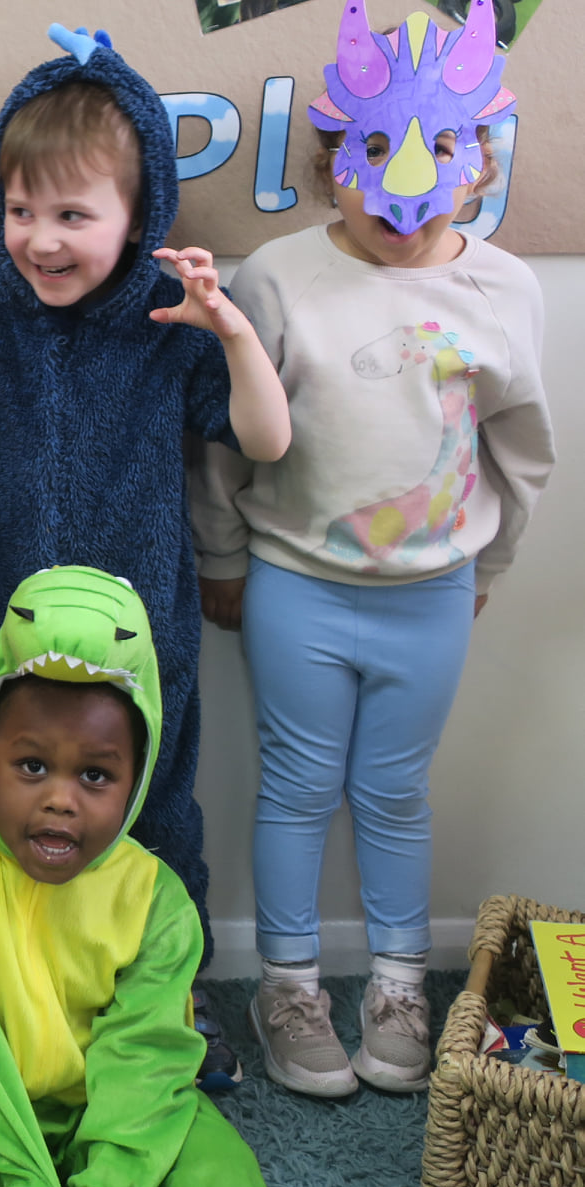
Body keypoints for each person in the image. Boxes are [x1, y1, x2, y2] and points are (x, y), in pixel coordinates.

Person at [0, 24, 290, 1087]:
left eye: (72, 215)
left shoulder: (168, 322)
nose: (40, 240)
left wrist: (229, 331)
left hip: (132, 639)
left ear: (138, 215)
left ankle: (160, 1023)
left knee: (146, 818)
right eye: (19, 212)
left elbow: (262, 438)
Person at [191, 0, 553, 1098]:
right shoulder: (276, 275)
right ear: (327, 161)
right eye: (374, 150)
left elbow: (521, 448)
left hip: (430, 591)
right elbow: (222, 437)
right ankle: (288, 983)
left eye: (437, 147)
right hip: (296, 582)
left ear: (475, 163)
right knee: (295, 788)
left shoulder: (500, 288)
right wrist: (219, 557)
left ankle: (399, 982)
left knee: (394, 793)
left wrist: (484, 569)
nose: (401, 180)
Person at [0, 566, 274, 1187]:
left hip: (107, 1101)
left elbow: (144, 1055)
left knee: (221, 1177)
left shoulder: (158, 901)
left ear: (136, 780)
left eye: (95, 775)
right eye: (31, 766)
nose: (60, 800)